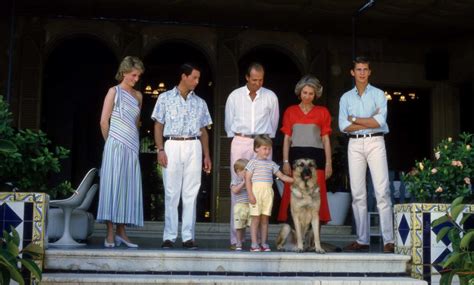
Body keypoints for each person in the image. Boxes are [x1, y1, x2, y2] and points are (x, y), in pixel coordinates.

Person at [152, 63, 212, 250]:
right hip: (172, 144)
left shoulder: (200, 102)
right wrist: (160, 149)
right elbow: (158, 126)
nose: (197, 81)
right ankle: (169, 237)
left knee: (191, 193)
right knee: (171, 192)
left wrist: (207, 155)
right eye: (194, 77)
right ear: (184, 76)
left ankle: (188, 237)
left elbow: (203, 131)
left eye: (198, 78)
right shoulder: (164, 98)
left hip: (194, 144)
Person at [338, 56, 394, 253]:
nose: (362, 73)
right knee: (358, 193)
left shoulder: (379, 94)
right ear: (352, 73)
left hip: (375, 141)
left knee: (382, 191)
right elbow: (343, 126)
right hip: (354, 144)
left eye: (365, 69)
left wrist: (353, 119)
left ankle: (389, 240)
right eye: (358, 69)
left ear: (369, 72)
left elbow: (378, 122)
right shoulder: (345, 98)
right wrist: (366, 120)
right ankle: (362, 240)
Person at [224, 62, 279, 249]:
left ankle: (258, 240)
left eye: (261, 80)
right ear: (247, 78)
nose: (258, 83)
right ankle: (236, 239)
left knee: (262, 187)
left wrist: (264, 144)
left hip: (262, 143)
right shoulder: (235, 96)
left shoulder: (270, 96)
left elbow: (273, 123)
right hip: (240, 140)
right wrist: (240, 140)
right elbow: (228, 123)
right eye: (254, 80)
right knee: (238, 187)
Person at [97, 56, 145, 248]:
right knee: (113, 187)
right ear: (124, 72)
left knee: (128, 189)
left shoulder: (139, 96)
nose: (136, 79)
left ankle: (122, 232)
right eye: (134, 75)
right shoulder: (113, 91)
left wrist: (133, 142)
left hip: (132, 146)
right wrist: (110, 144)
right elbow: (103, 121)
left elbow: (136, 123)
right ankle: (110, 232)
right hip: (114, 145)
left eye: (138, 76)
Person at [278, 75, 332, 226]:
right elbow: (287, 139)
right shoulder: (290, 111)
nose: (307, 96)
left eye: (311, 93)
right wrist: (286, 161)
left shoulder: (323, 112)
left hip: (317, 161)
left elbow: (326, 139)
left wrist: (328, 163)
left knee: (317, 197)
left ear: (315, 95)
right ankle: (294, 239)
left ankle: (316, 242)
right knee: (293, 197)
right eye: (305, 92)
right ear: (299, 92)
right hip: (296, 161)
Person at [245, 135, 294, 252]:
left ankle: (264, 243)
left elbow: (281, 176)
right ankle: (254, 243)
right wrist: (250, 194)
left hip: (268, 193)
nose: (267, 151)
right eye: (264, 148)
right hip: (256, 193)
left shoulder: (271, 164)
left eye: (269, 149)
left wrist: (294, 180)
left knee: (265, 219)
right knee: (255, 219)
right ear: (256, 148)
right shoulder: (252, 163)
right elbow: (247, 179)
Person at [230, 158, 250, 251]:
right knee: (239, 226)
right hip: (240, 206)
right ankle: (238, 242)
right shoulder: (236, 180)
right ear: (238, 171)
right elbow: (234, 190)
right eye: (244, 171)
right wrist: (243, 183)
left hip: (250, 205)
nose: (246, 173)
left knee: (252, 224)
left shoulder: (250, 180)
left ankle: (254, 242)